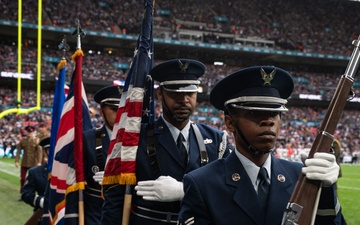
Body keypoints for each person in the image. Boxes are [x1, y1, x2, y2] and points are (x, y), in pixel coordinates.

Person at [178, 66, 346, 225]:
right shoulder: (202, 183)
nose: (268, 121)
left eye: (275, 113)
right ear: (230, 123)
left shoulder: (301, 177)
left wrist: (326, 192)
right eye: (255, 113)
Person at [101, 59, 233, 225]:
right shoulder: (134, 137)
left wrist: (183, 190)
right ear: (160, 94)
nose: (184, 100)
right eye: (175, 93)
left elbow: (230, 190)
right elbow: (114, 201)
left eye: (190, 93)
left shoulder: (216, 140)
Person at [64, 85, 122, 225]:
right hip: (95, 214)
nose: (121, 114)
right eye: (115, 109)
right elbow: (74, 181)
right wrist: (72, 220)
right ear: (101, 112)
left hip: (127, 212)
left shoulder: (138, 139)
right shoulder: (88, 139)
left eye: (124, 110)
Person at [21, 137, 50, 225]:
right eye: (50, 150)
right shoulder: (35, 172)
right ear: (45, 151)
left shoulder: (69, 171)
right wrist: (41, 201)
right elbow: (26, 193)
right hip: (43, 216)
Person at [15, 125, 42, 198]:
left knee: (34, 179)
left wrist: (39, 162)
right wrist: (16, 161)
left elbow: (39, 152)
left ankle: (33, 194)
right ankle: (22, 193)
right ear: (26, 132)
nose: (29, 133)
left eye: (31, 132)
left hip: (34, 162)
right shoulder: (23, 140)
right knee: (22, 178)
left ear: (33, 132)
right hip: (24, 162)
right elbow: (18, 151)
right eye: (28, 132)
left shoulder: (37, 140)